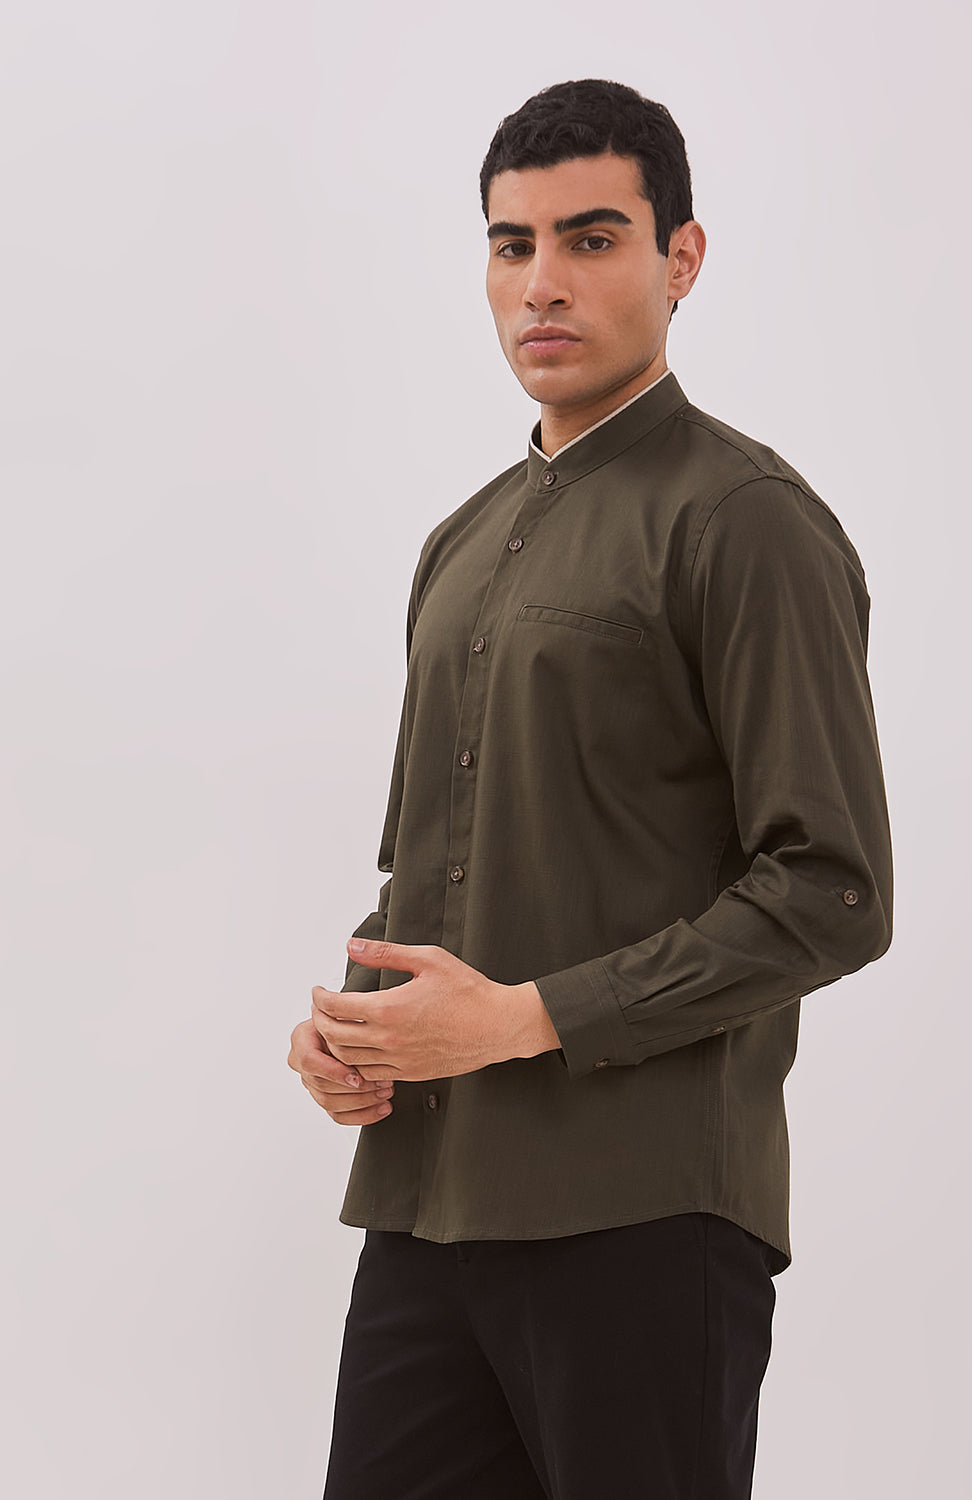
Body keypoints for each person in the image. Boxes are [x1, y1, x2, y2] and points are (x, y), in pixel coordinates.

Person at [288, 78, 893, 1500]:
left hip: (642, 1212)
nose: (542, 283)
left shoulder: (746, 523)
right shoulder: (462, 542)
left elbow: (832, 888)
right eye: (513, 245)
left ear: (682, 259)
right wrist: (359, 1024)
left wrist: (524, 1019)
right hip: (430, 1211)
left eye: (592, 238)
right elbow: (432, 863)